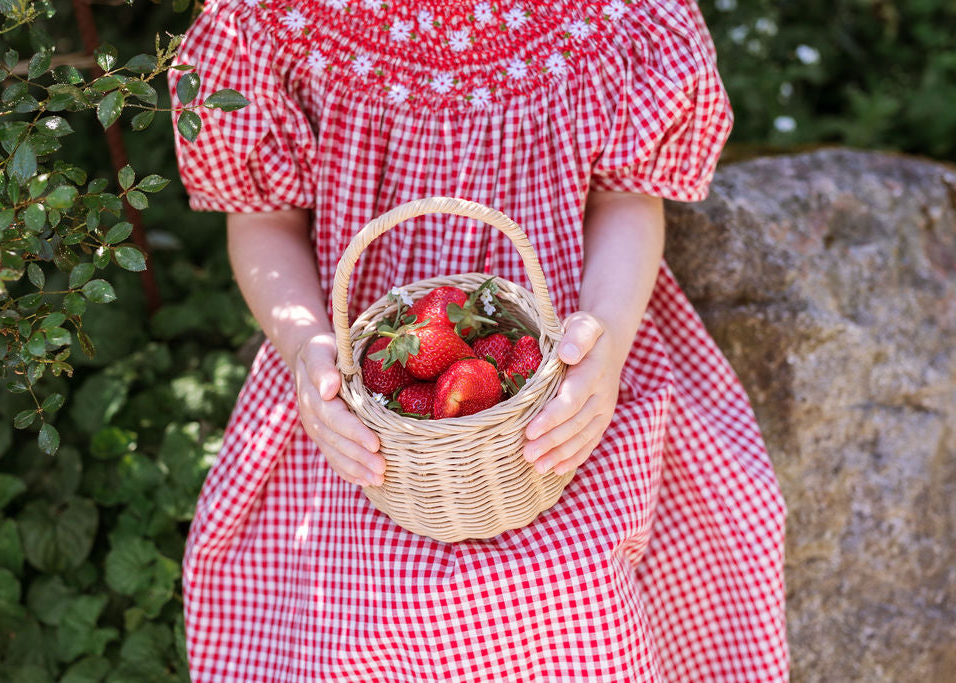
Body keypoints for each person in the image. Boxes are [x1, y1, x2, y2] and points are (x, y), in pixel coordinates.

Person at [170, 0, 789, 680]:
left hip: (562, 349)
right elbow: (265, 217)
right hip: (364, 375)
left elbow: (624, 196)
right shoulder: (277, 17)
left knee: (580, 588)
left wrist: (605, 346)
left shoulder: (616, 13)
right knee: (358, 605)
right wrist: (304, 348)